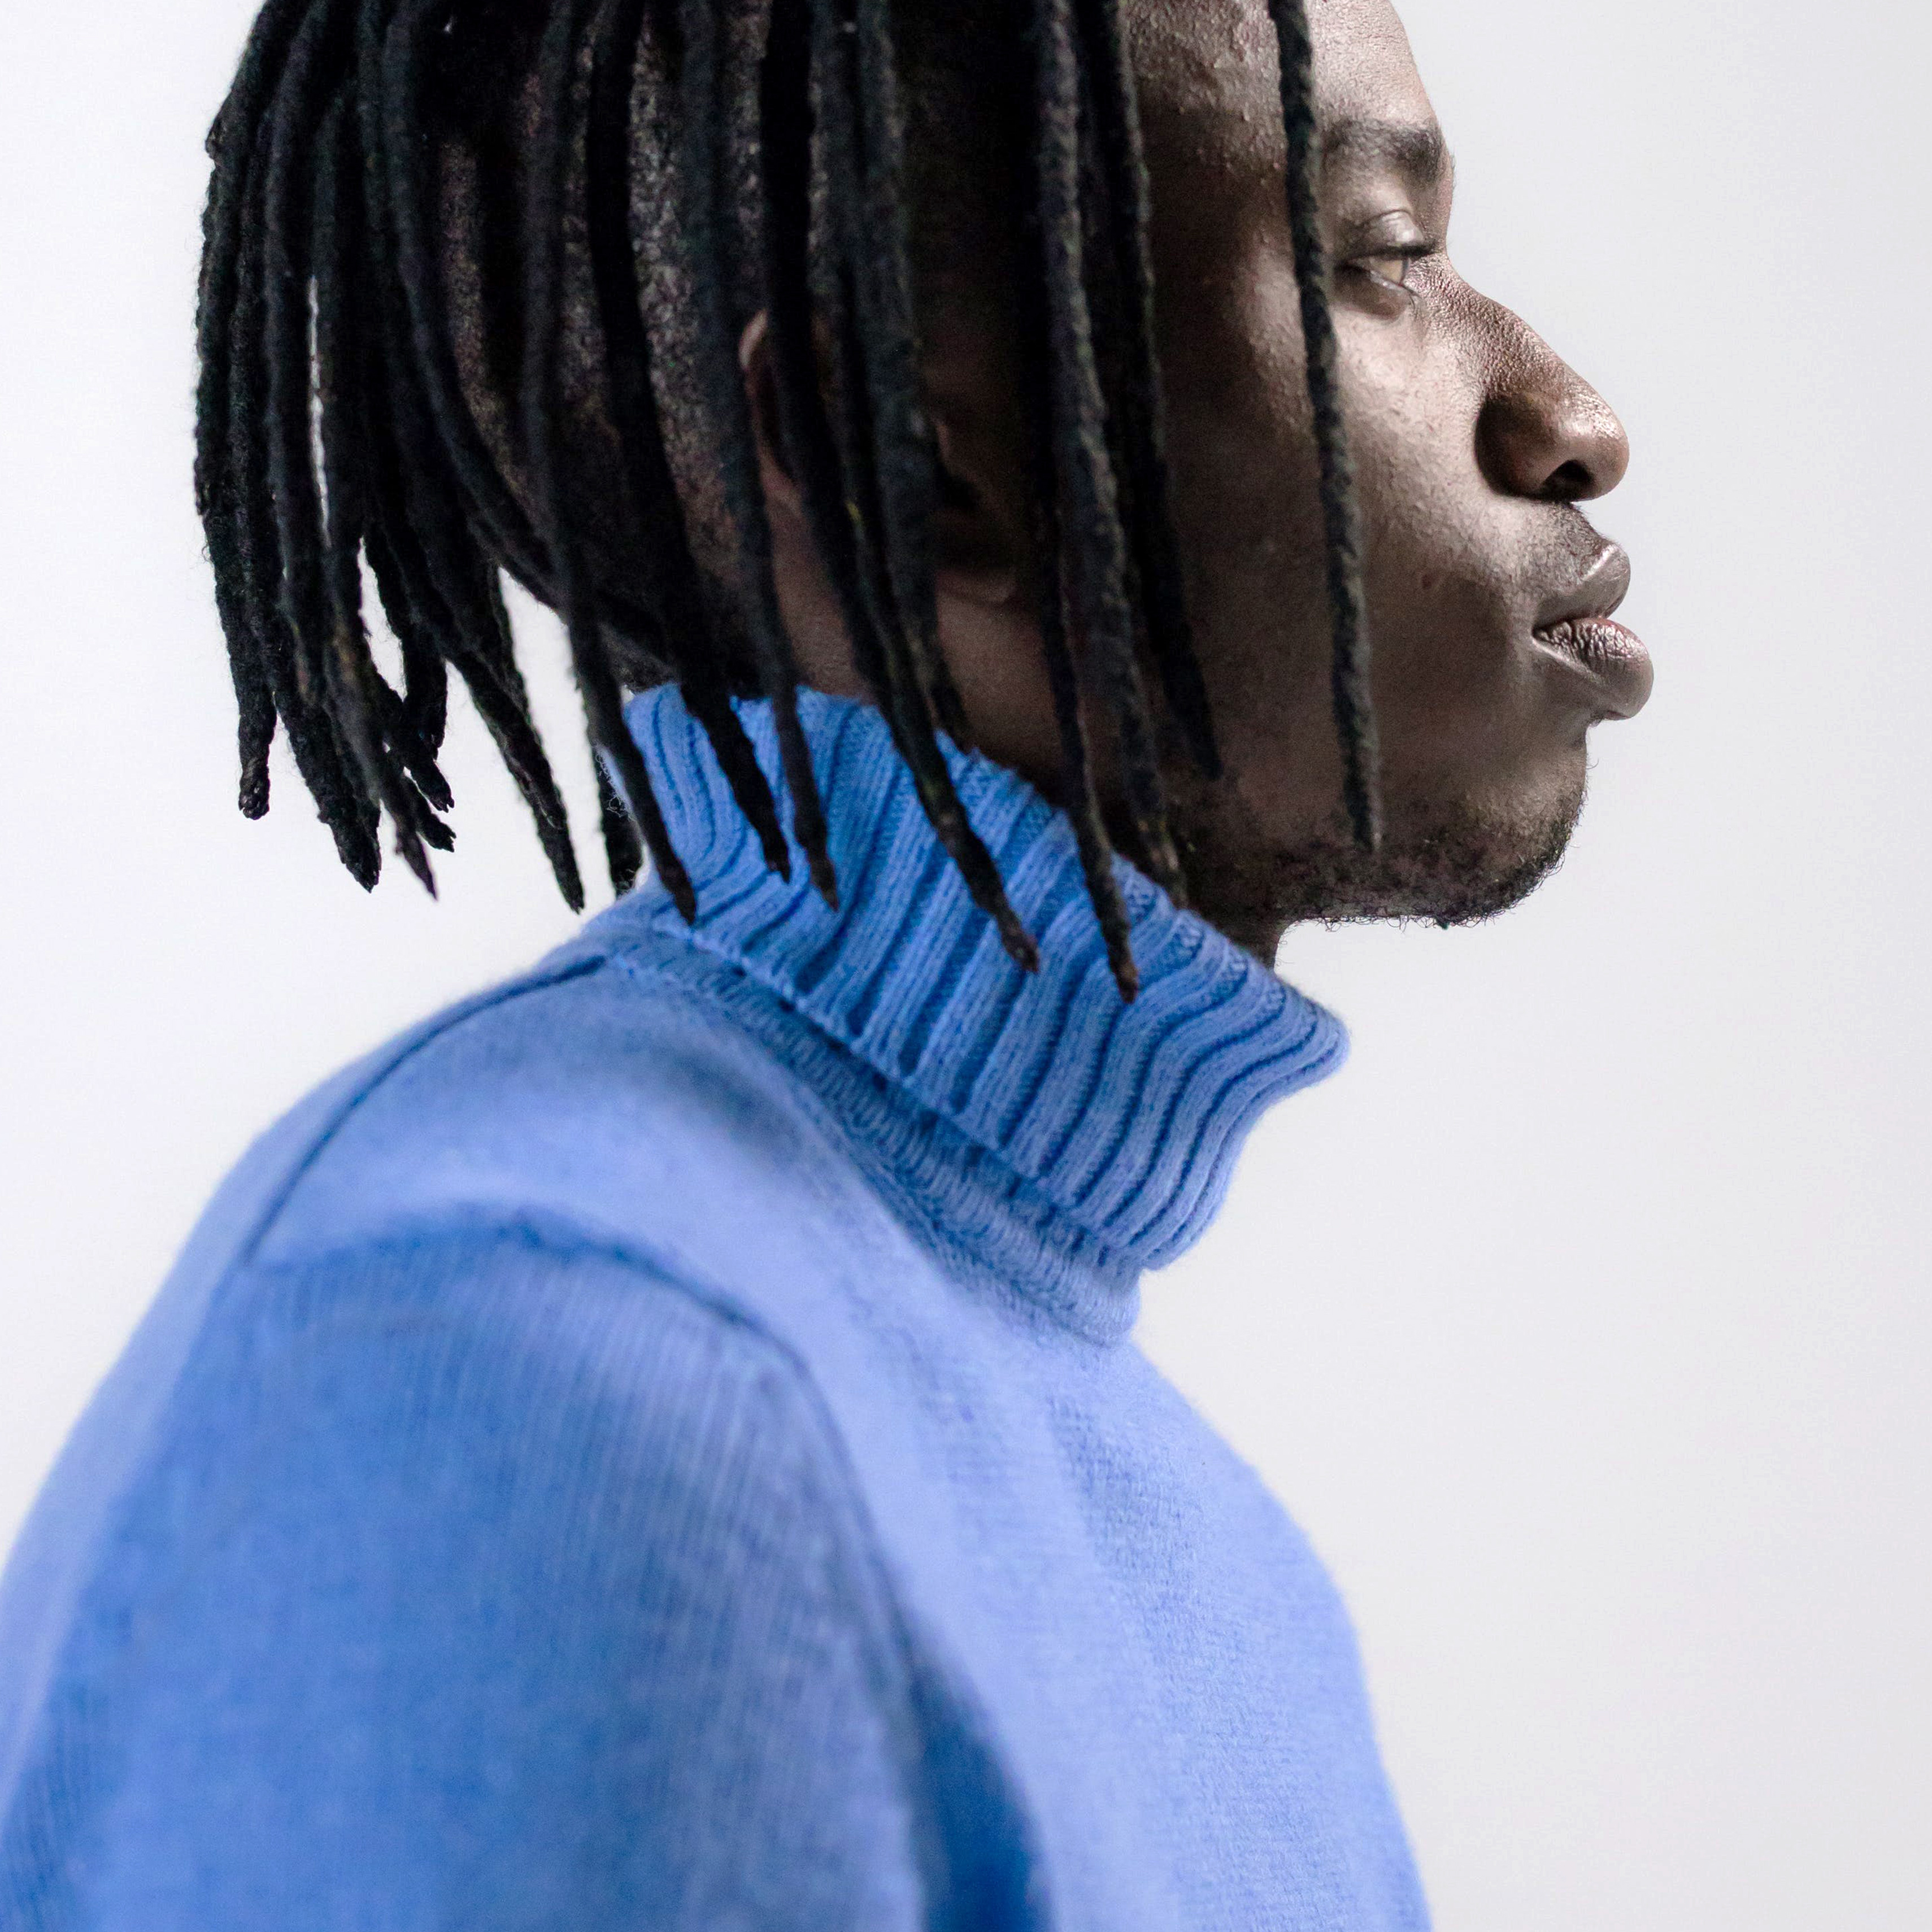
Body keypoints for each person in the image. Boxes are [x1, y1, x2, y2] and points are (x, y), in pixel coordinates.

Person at [0, 0, 1649, 1923]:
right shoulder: (559, 1375)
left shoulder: (1207, 1561)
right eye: (1382, 256)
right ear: (914, 467)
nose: (1568, 416)